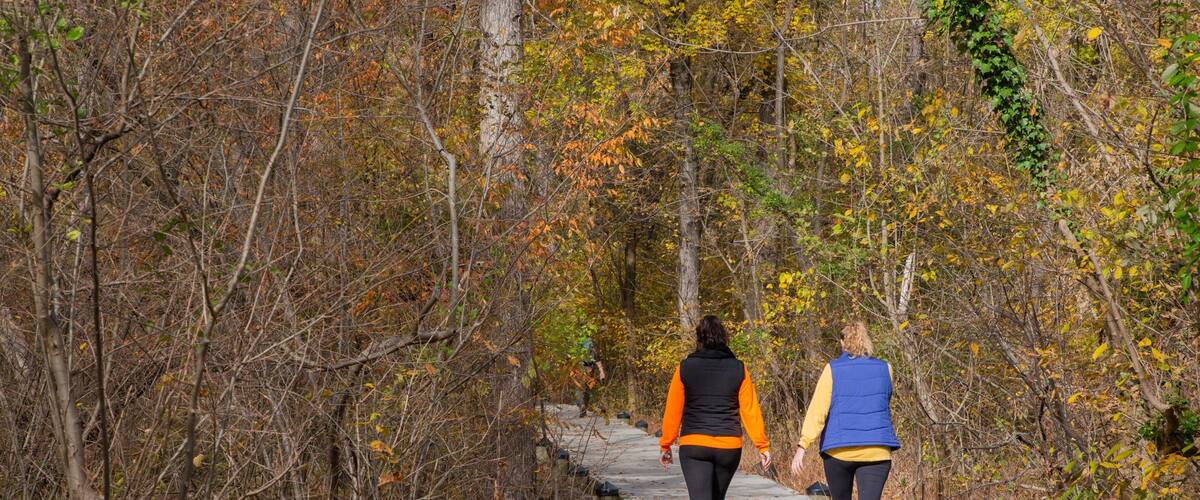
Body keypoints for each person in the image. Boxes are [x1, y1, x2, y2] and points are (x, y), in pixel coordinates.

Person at [658, 315, 771, 500]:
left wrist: (666, 444)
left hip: (694, 445)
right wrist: (762, 445)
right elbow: (750, 410)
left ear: (699, 338)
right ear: (724, 338)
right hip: (728, 446)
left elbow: (673, 410)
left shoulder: (685, 368)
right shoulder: (738, 368)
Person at [789, 321, 899, 500]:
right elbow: (883, 399)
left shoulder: (833, 369)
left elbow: (818, 410)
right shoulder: (885, 368)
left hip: (839, 451)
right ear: (866, 341)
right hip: (877, 450)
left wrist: (803, 445)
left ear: (842, 342)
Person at [577, 335, 606, 417]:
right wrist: (601, 371)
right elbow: (597, 359)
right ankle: (587, 407)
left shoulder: (581, 345)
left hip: (582, 369)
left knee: (584, 389)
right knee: (588, 389)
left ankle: (583, 407)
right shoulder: (589, 345)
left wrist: (601, 371)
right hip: (586, 369)